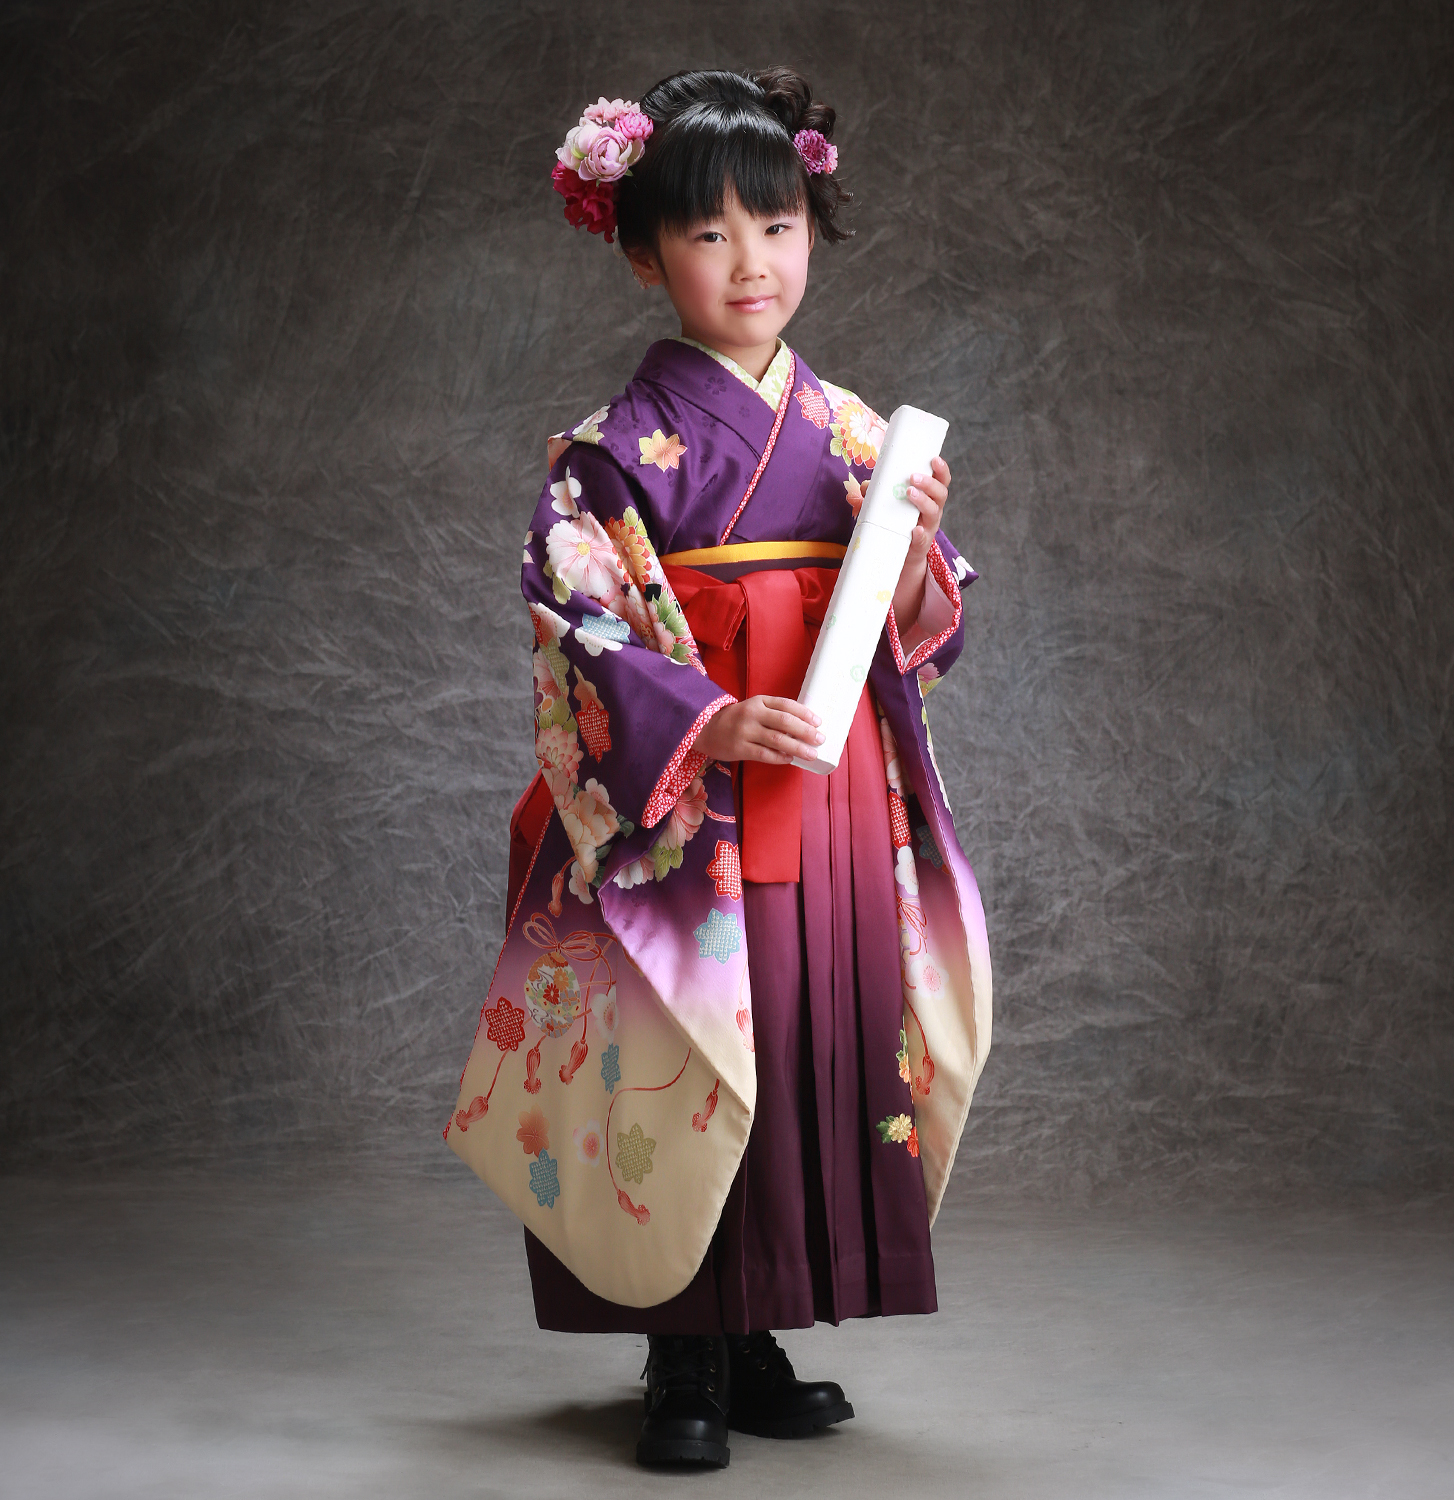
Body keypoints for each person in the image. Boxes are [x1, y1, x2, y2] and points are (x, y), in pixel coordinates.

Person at [445, 66, 992, 1469]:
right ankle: (680, 1350)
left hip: (824, 778)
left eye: (780, 225)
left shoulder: (855, 433)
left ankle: (759, 1332)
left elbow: (912, 627)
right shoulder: (611, 457)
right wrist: (704, 720)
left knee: (810, 1037)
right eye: (709, 233)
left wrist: (909, 551)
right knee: (691, 1053)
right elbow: (577, 623)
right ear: (643, 254)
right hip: (692, 804)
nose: (753, 261)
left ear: (813, 231)